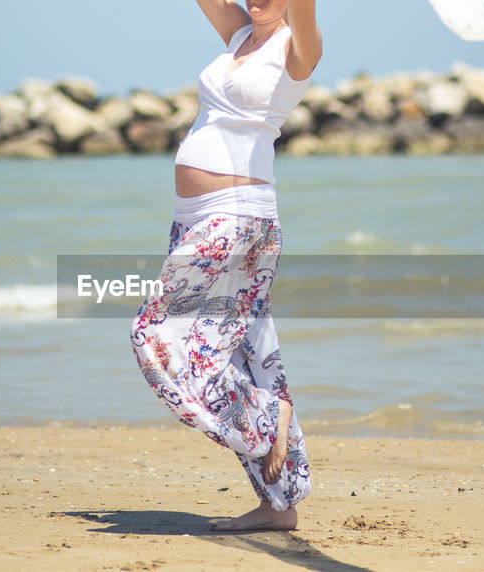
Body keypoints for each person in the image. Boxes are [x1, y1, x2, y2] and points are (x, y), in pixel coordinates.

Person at [129, 0, 322, 532]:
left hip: (238, 218)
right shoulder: (240, 36)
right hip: (194, 218)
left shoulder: (298, 45)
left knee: (152, 332)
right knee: (246, 351)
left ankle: (263, 420)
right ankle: (279, 506)